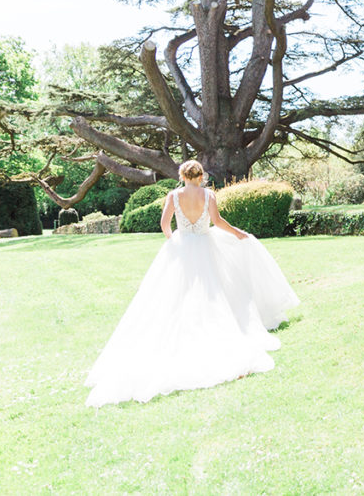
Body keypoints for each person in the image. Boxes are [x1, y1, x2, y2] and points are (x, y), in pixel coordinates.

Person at [85, 160, 300, 407]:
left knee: (175, 294)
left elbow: (165, 224)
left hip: (183, 246)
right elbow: (217, 222)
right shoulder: (208, 194)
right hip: (206, 245)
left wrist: (172, 241)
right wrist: (238, 233)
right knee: (214, 291)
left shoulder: (174, 195)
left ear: (181, 175)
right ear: (200, 176)